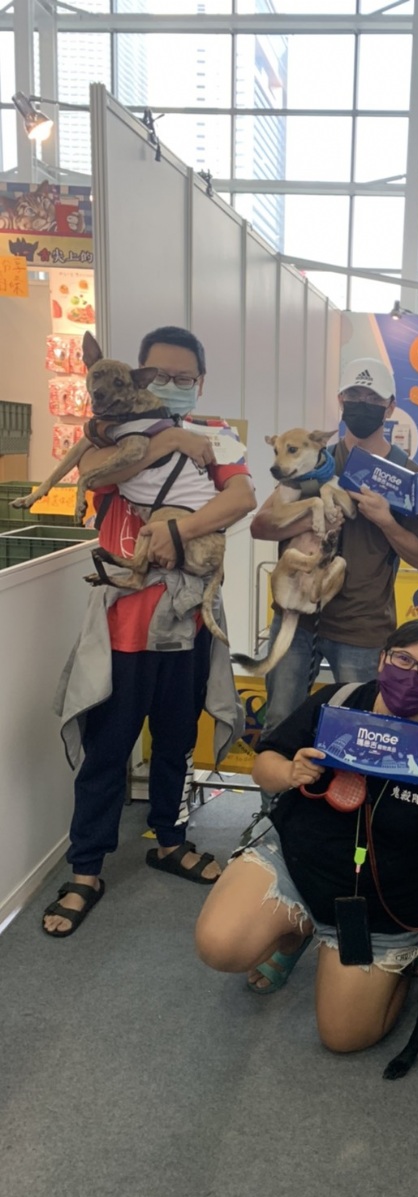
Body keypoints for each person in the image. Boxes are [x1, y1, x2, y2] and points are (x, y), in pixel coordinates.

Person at [194, 617, 418, 1053]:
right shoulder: (338, 702)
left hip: (382, 904)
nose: (412, 675)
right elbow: (263, 766)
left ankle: (402, 965)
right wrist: (290, 771)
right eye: (403, 659)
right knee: (219, 945)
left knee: (344, 1037)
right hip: (297, 861)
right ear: (382, 658)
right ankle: (295, 931)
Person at [43, 326, 257, 937]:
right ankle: (86, 868)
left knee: (177, 740)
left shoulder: (218, 435)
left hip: (188, 623)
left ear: (200, 383)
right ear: (138, 376)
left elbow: (240, 497)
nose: (171, 385)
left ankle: (169, 839)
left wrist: (179, 530)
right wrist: (173, 439)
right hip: (122, 625)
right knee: (108, 749)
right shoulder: (108, 429)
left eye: (184, 378)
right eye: (159, 375)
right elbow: (95, 472)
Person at [250, 357, 418, 733]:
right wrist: (314, 515)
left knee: (359, 732)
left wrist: (385, 520)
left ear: (390, 406)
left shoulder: (409, 476)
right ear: (340, 400)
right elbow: (261, 525)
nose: (361, 404)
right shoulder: (314, 460)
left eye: (372, 398)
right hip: (297, 616)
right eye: (354, 395)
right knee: (280, 724)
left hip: (362, 626)